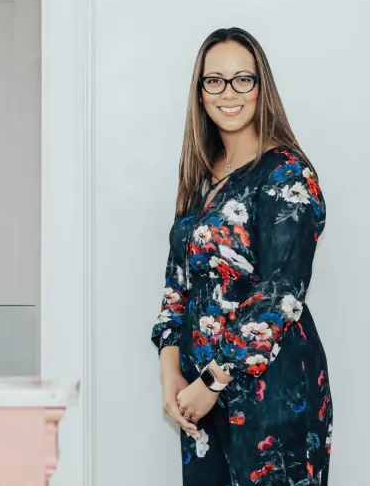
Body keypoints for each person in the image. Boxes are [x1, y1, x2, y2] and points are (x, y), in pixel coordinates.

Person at [151, 27, 333, 486]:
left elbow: (280, 294)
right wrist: (171, 373)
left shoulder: (287, 173)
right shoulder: (202, 175)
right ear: (200, 92)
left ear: (260, 87)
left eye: (242, 80)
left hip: (271, 395)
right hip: (200, 398)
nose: (228, 93)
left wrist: (212, 381)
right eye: (214, 80)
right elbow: (179, 283)